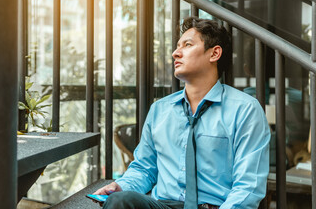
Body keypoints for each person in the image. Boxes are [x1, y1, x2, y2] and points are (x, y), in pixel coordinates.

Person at [94, 17, 270, 209]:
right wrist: (120, 186)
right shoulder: (160, 110)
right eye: (177, 47)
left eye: (187, 45)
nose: (175, 53)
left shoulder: (245, 110)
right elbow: (145, 169)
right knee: (121, 201)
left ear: (214, 53)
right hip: (164, 205)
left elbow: (248, 186)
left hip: (215, 207)